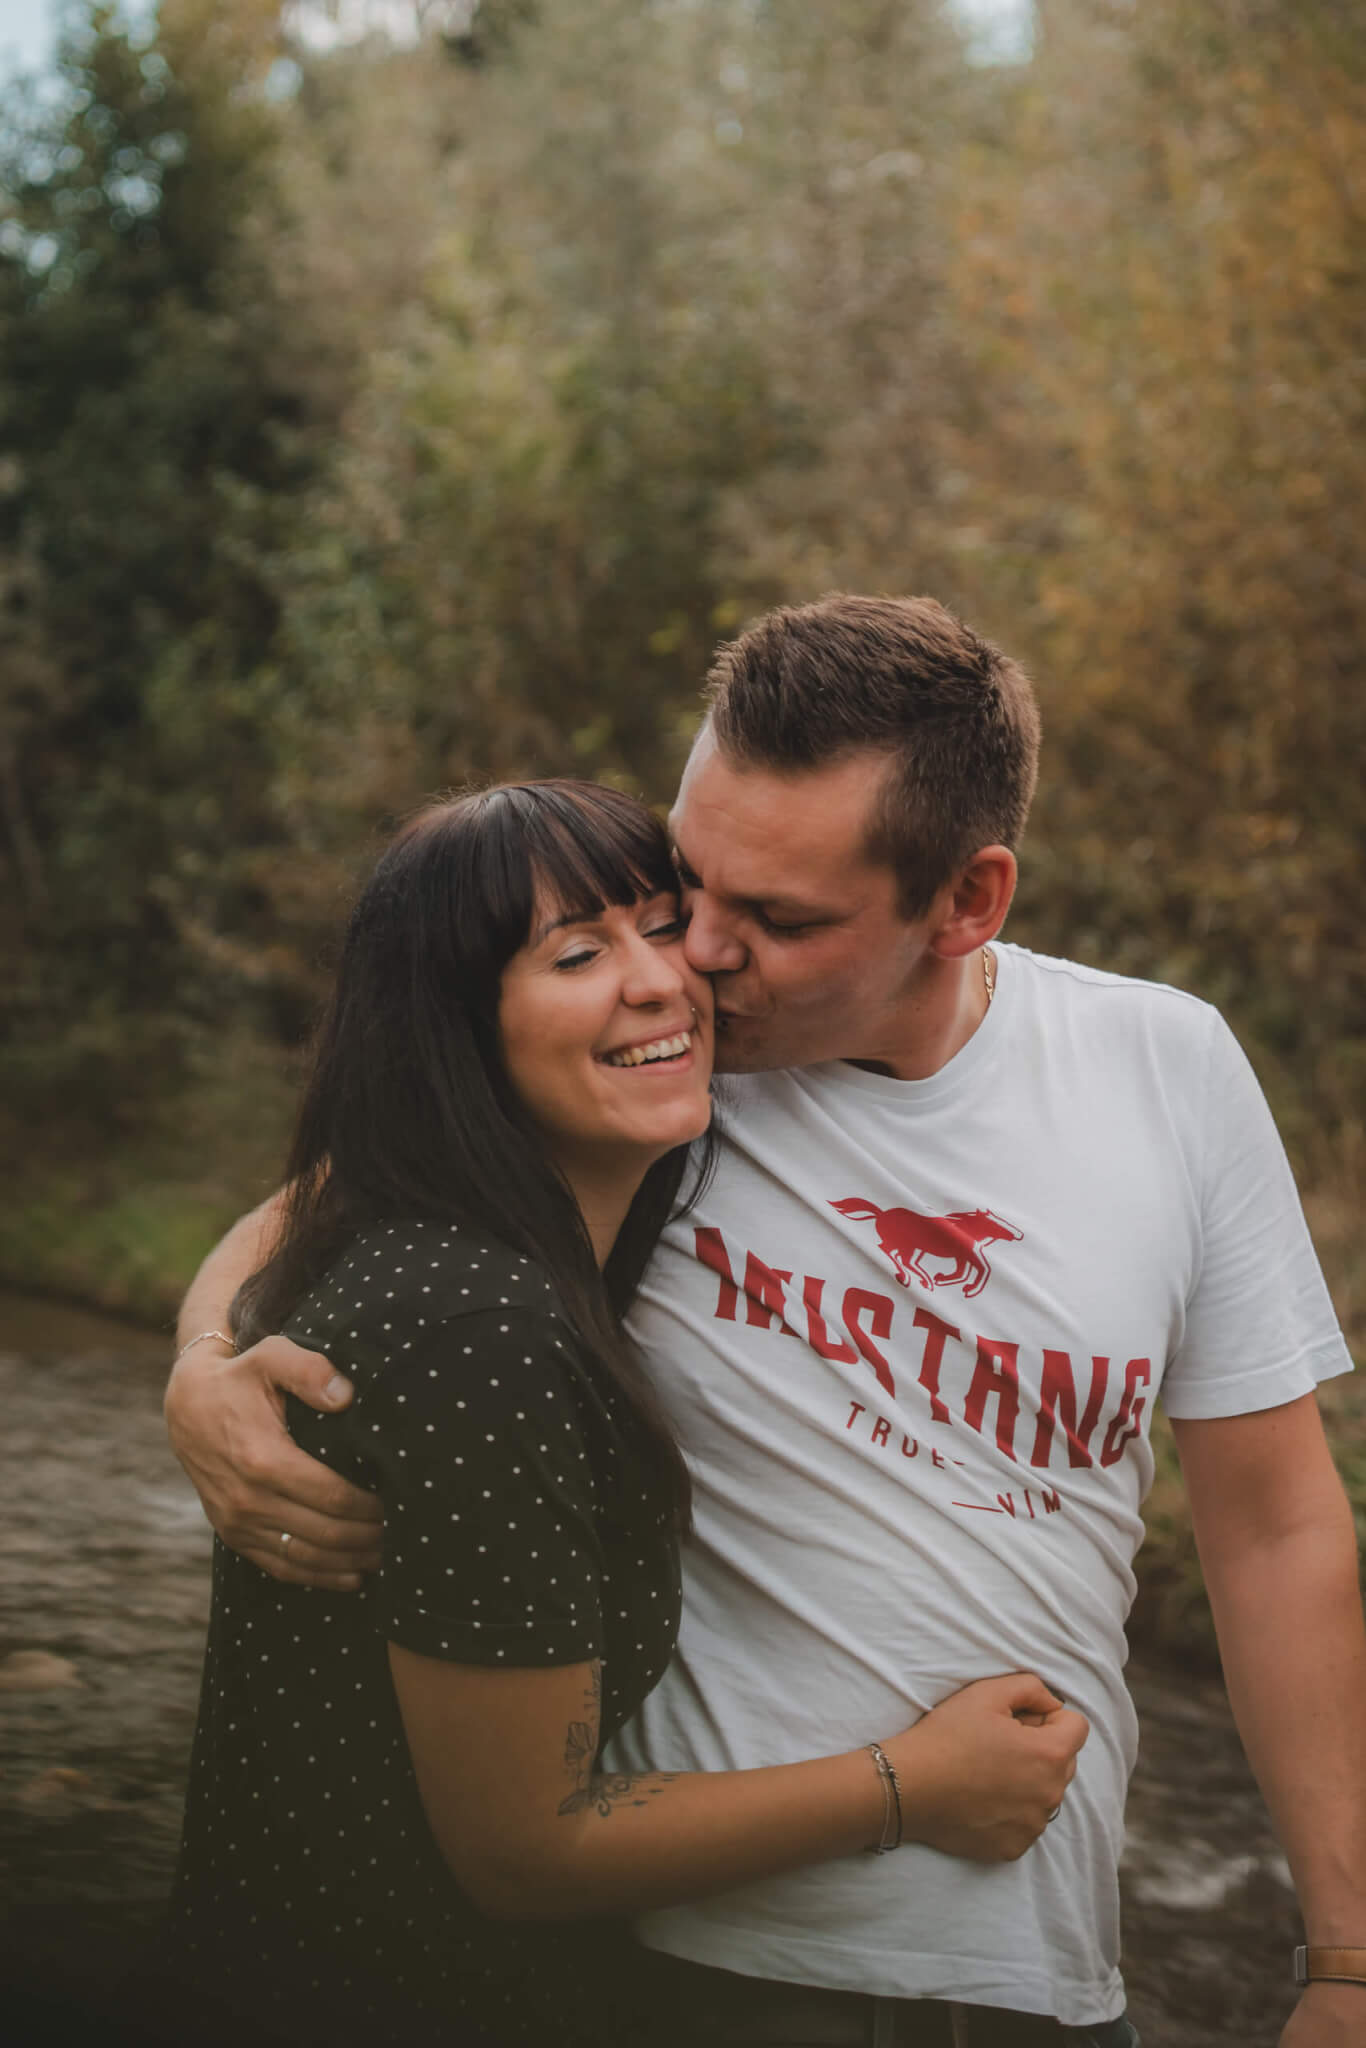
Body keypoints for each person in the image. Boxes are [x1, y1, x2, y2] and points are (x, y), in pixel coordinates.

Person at [167, 596, 1366, 2048]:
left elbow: (1276, 1529)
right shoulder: (657, 1072)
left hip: (1042, 1969)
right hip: (675, 1963)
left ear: (967, 902)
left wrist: (1342, 1957)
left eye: (777, 920)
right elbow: (354, 1192)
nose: (698, 956)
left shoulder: (1161, 1069)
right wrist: (206, 1363)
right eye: (690, 882)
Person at [162, 774, 1086, 2048]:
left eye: (664, 925)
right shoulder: (478, 1327)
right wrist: (913, 1784)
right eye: (577, 953)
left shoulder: (458, 1236)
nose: (659, 979)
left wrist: (204, 1343)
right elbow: (525, 1849)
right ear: (454, 1024)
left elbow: (317, 1182)